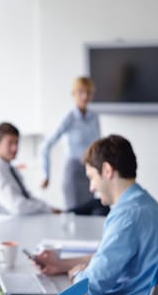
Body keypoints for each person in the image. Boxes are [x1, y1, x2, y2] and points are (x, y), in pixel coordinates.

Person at [32, 134, 158, 295]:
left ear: (107, 171)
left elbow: (90, 287)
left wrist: (75, 276)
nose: (91, 188)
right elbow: (107, 257)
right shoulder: (147, 205)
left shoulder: (126, 216)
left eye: (92, 178)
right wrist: (61, 265)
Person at [40, 76, 108, 215]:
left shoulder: (94, 117)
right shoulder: (68, 118)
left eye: (88, 92)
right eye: (81, 92)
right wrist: (45, 174)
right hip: (74, 174)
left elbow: (98, 147)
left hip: (91, 174)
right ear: (74, 94)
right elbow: (45, 145)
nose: (84, 96)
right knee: (76, 217)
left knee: (93, 214)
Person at [0, 122, 58, 215]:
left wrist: (49, 208)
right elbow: (17, 207)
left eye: (16, 142)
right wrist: (47, 209)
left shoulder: (9, 168)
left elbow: (27, 197)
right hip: (9, 223)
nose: (15, 148)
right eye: (10, 143)